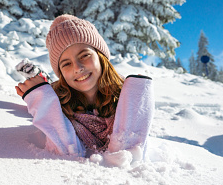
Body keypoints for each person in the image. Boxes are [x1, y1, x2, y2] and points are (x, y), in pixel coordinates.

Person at [15, 14, 154, 161]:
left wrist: (138, 93)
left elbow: (128, 156)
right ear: (61, 73)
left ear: (101, 57)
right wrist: (41, 96)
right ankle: (43, 80)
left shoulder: (126, 99)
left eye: (84, 55)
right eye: (66, 64)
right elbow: (67, 152)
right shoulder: (57, 105)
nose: (78, 67)